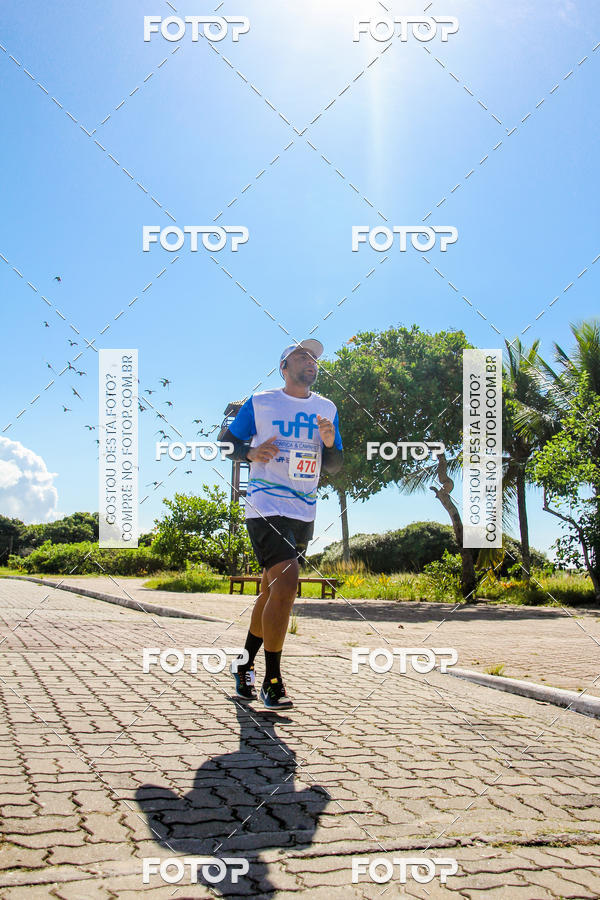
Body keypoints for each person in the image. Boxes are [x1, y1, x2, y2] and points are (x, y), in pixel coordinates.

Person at [222, 339, 343, 708]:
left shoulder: (327, 408)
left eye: (314, 358)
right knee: (288, 584)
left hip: (303, 509)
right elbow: (226, 443)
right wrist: (251, 452)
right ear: (284, 367)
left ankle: (243, 665)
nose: (311, 361)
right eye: (302, 357)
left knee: (271, 592)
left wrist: (329, 442)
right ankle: (272, 680)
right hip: (264, 503)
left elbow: (334, 465)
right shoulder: (261, 402)